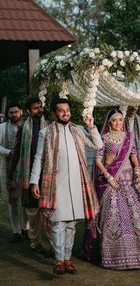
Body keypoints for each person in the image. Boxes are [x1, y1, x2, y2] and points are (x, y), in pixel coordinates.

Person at [30, 98, 103, 275]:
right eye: (61, 111)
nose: (65, 113)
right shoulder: (46, 132)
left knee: (71, 224)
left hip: (77, 184)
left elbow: (98, 145)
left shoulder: (77, 130)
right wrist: (34, 181)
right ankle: (59, 260)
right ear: (55, 113)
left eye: (67, 110)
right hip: (55, 184)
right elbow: (39, 157)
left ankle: (68, 259)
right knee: (57, 223)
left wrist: (91, 127)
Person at [94, 108, 140, 270]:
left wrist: (138, 171)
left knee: (136, 215)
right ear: (109, 123)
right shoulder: (103, 138)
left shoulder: (129, 138)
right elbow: (98, 160)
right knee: (113, 216)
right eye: (114, 120)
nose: (118, 123)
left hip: (129, 180)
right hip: (112, 180)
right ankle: (114, 256)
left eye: (120, 120)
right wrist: (109, 177)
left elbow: (134, 158)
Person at [8, 96, 50, 254]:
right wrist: (11, 175)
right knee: (32, 210)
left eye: (40, 107)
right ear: (28, 111)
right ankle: (34, 241)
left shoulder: (50, 125)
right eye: (35, 108)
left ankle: (50, 243)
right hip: (29, 175)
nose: (39, 110)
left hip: (47, 173)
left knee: (48, 210)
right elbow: (17, 151)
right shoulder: (24, 127)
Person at [0, 103, 29, 242]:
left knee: (25, 200)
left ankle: (26, 228)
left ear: (21, 112)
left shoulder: (27, 127)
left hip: (24, 169)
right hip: (8, 169)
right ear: (8, 114)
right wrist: (8, 152)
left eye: (16, 112)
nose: (14, 115)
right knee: (12, 201)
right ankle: (16, 231)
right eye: (11, 112)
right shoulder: (1, 127)